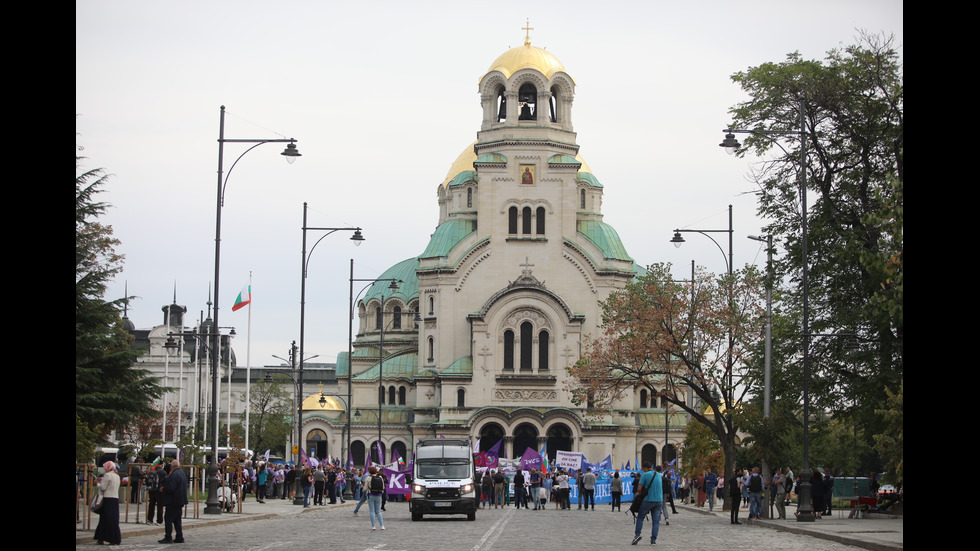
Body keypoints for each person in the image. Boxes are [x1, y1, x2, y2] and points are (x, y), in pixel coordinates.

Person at [632, 461, 663, 546]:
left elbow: (639, 489)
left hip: (648, 499)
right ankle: (653, 540)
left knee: (640, 517)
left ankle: (637, 535)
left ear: (645, 468)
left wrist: (641, 494)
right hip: (659, 500)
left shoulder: (645, 475)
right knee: (656, 521)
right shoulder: (658, 475)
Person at [159, 460, 188, 544]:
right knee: (177, 519)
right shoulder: (181, 473)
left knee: (168, 519)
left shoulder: (174, 474)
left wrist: (163, 489)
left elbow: (171, 487)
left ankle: (168, 537)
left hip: (173, 500)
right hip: (180, 500)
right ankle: (179, 536)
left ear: (172, 466)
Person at [94, 461, 122, 546]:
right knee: (113, 519)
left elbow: (103, 487)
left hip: (107, 499)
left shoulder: (107, 475)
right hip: (115, 499)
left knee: (104, 519)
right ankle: (114, 538)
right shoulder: (117, 476)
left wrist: (97, 483)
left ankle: (102, 537)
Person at [365, 466, 386, 530]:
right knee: (378, 511)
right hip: (379, 495)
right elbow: (383, 487)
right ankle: (382, 526)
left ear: (369, 471)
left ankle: (373, 526)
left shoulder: (368, 478)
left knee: (372, 511)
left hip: (370, 494)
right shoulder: (380, 477)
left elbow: (365, 488)